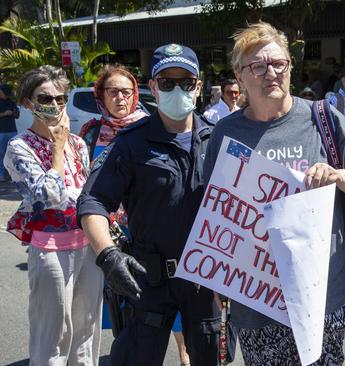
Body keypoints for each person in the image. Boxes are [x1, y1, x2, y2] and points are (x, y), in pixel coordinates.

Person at [204, 21, 345, 365]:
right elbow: (214, 211)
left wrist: (338, 175)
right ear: (239, 77)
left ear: (289, 67)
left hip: (323, 294)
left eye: (278, 63)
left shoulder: (323, 118)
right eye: (258, 66)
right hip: (256, 298)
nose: (271, 73)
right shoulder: (225, 133)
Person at [77, 43, 224, 365]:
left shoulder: (220, 141)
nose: (177, 90)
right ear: (153, 88)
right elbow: (93, 201)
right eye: (167, 83)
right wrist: (108, 255)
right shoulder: (131, 143)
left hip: (206, 278)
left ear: (198, 87)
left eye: (185, 82)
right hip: (148, 276)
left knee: (210, 359)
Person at [5, 65, 102, 365]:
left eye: (61, 99)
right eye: (45, 99)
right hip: (51, 250)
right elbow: (49, 196)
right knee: (53, 336)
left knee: (86, 333)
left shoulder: (79, 144)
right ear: (27, 103)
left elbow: (87, 194)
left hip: (87, 245)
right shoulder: (19, 147)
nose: (56, 106)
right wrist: (58, 148)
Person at [0, 84, 19, 181]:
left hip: (12, 130)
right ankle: (1, 175)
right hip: (1, 132)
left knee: (13, 154)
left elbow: (17, 115)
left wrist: (13, 112)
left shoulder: (11, 102)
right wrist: (4, 114)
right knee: (1, 153)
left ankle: (14, 176)